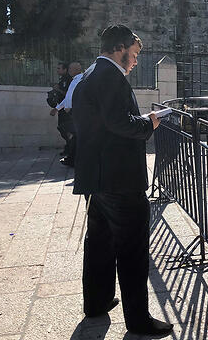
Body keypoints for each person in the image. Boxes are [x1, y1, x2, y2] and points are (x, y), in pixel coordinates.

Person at [72, 24, 172, 336]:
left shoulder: (90, 73)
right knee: (132, 249)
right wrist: (149, 125)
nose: (136, 61)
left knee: (100, 241)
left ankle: (97, 302)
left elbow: (103, 124)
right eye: (135, 53)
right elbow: (118, 122)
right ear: (120, 48)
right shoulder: (109, 75)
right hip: (119, 179)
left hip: (99, 175)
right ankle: (139, 321)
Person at [50, 61, 83, 167]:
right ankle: (71, 159)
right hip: (70, 113)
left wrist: (73, 109)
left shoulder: (81, 80)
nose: (68, 71)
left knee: (71, 133)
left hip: (76, 113)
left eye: (70, 69)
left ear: (77, 70)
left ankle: (72, 159)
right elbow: (68, 97)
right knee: (73, 136)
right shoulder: (73, 81)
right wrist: (57, 108)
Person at [53, 62, 72, 156]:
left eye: (59, 68)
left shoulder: (69, 80)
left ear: (65, 69)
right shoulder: (62, 80)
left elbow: (68, 96)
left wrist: (58, 90)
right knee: (62, 128)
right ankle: (69, 148)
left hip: (66, 109)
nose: (57, 70)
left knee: (65, 129)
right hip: (61, 108)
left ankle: (70, 148)